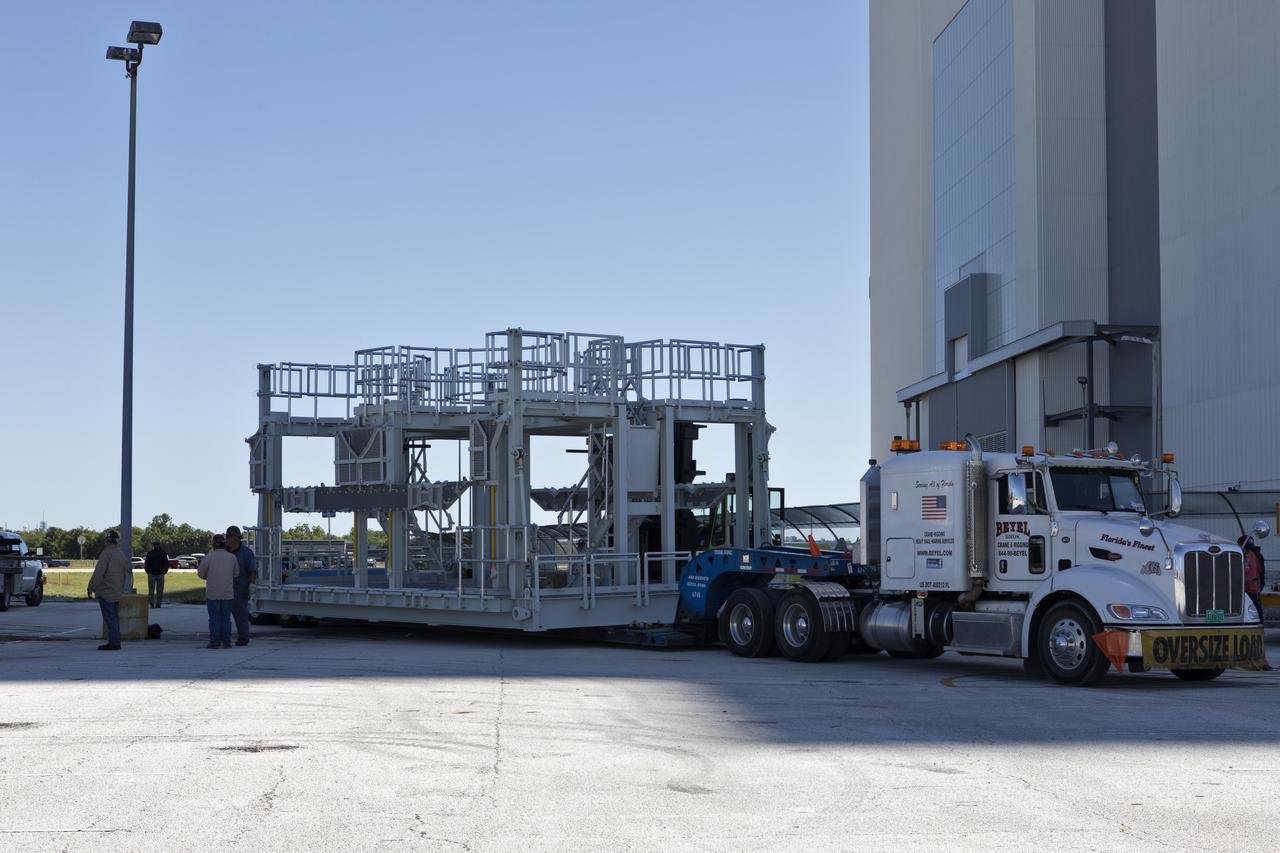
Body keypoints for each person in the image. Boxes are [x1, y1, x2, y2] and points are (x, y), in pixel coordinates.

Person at [87, 530, 128, 651]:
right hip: (117, 590)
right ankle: (115, 640)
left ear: (107, 541)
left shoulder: (106, 554)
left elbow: (99, 573)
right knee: (114, 618)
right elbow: (125, 574)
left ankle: (114, 643)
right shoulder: (120, 554)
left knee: (110, 619)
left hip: (106, 591)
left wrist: (91, 587)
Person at [197, 534, 240, 649]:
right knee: (226, 618)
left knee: (214, 618)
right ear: (224, 544)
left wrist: (209, 577)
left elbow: (200, 573)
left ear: (213, 544)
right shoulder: (232, 557)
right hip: (227, 593)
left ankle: (214, 641)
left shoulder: (209, 557)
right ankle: (226, 642)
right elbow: (236, 573)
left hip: (212, 593)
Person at [225, 525, 257, 646]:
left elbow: (252, 571)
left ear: (238, 538)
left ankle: (243, 638)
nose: (230, 540)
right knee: (223, 616)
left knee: (241, 615)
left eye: (232, 537)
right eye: (228, 537)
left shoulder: (246, 553)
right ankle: (224, 638)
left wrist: (252, 585)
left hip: (240, 589)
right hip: (224, 588)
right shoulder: (223, 551)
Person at [1240, 534, 1266, 620]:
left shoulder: (1255, 556)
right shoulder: (1237, 556)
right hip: (1241, 592)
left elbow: (1259, 572)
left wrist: (1260, 587)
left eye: (1250, 548)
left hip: (1253, 592)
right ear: (1240, 545)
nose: (1248, 550)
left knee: (1257, 615)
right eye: (1246, 547)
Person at [144, 539, 169, 608]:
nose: (156, 545)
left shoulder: (163, 553)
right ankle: (152, 604)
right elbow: (146, 563)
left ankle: (158, 604)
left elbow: (166, 563)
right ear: (153, 545)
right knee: (151, 590)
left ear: (159, 544)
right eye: (155, 544)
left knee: (160, 590)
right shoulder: (150, 553)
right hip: (151, 574)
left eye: (157, 544)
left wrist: (164, 571)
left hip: (160, 574)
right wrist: (148, 571)